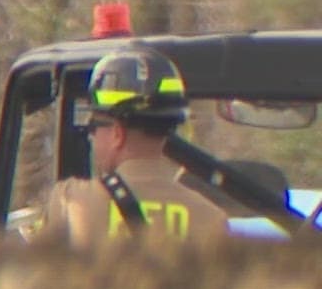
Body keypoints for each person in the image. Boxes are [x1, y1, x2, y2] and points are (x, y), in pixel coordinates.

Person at [34, 46, 229, 248]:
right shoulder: (211, 219)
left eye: (94, 126)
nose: (92, 137)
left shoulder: (71, 201)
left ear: (118, 133)